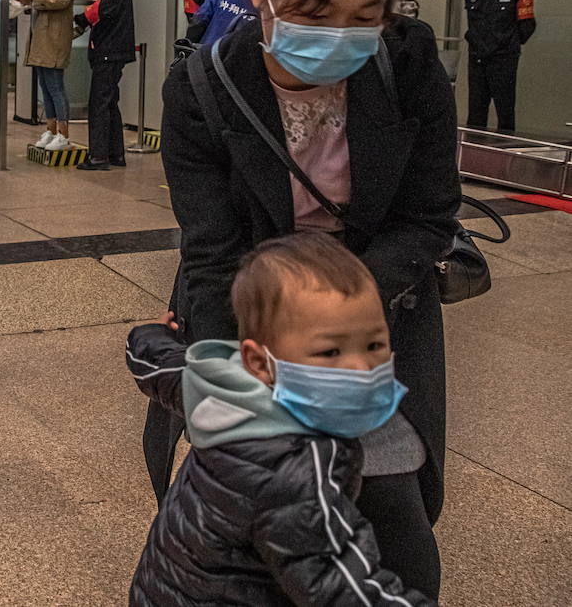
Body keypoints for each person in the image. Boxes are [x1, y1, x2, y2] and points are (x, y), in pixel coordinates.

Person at [152, 0, 459, 599]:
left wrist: (341, 315)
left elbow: (429, 213)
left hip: (375, 310)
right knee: (249, 505)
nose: (341, 35)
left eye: (367, 16)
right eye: (316, 14)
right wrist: (233, 373)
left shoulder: (408, 63)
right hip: (250, 313)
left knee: (392, 505)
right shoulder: (202, 88)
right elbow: (212, 251)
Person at [126, 232, 435, 606]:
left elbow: (159, 363)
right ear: (260, 361)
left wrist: (149, 334)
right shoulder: (294, 468)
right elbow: (336, 585)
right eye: (330, 352)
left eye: (374, 345)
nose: (359, 367)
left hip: (168, 586)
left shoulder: (221, 382)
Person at [464, 0, 535, 133]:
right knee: (476, 107)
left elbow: (527, 26)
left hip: (503, 58)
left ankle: (506, 147)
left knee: (505, 108)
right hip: (477, 56)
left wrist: (508, 44)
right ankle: (474, 146)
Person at [18, 0, 77, 151]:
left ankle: (63, 134)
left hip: (53, 36)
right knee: (45, 85)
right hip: (41, 35)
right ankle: (51, 129)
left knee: (55, 86)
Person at [74, 0, 135, 170]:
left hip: (109, 53)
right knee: (109, 104)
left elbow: (98, 12)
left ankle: (98, 157)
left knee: (99, 105)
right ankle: (115, 154)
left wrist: (80, 20)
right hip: (113, 53)